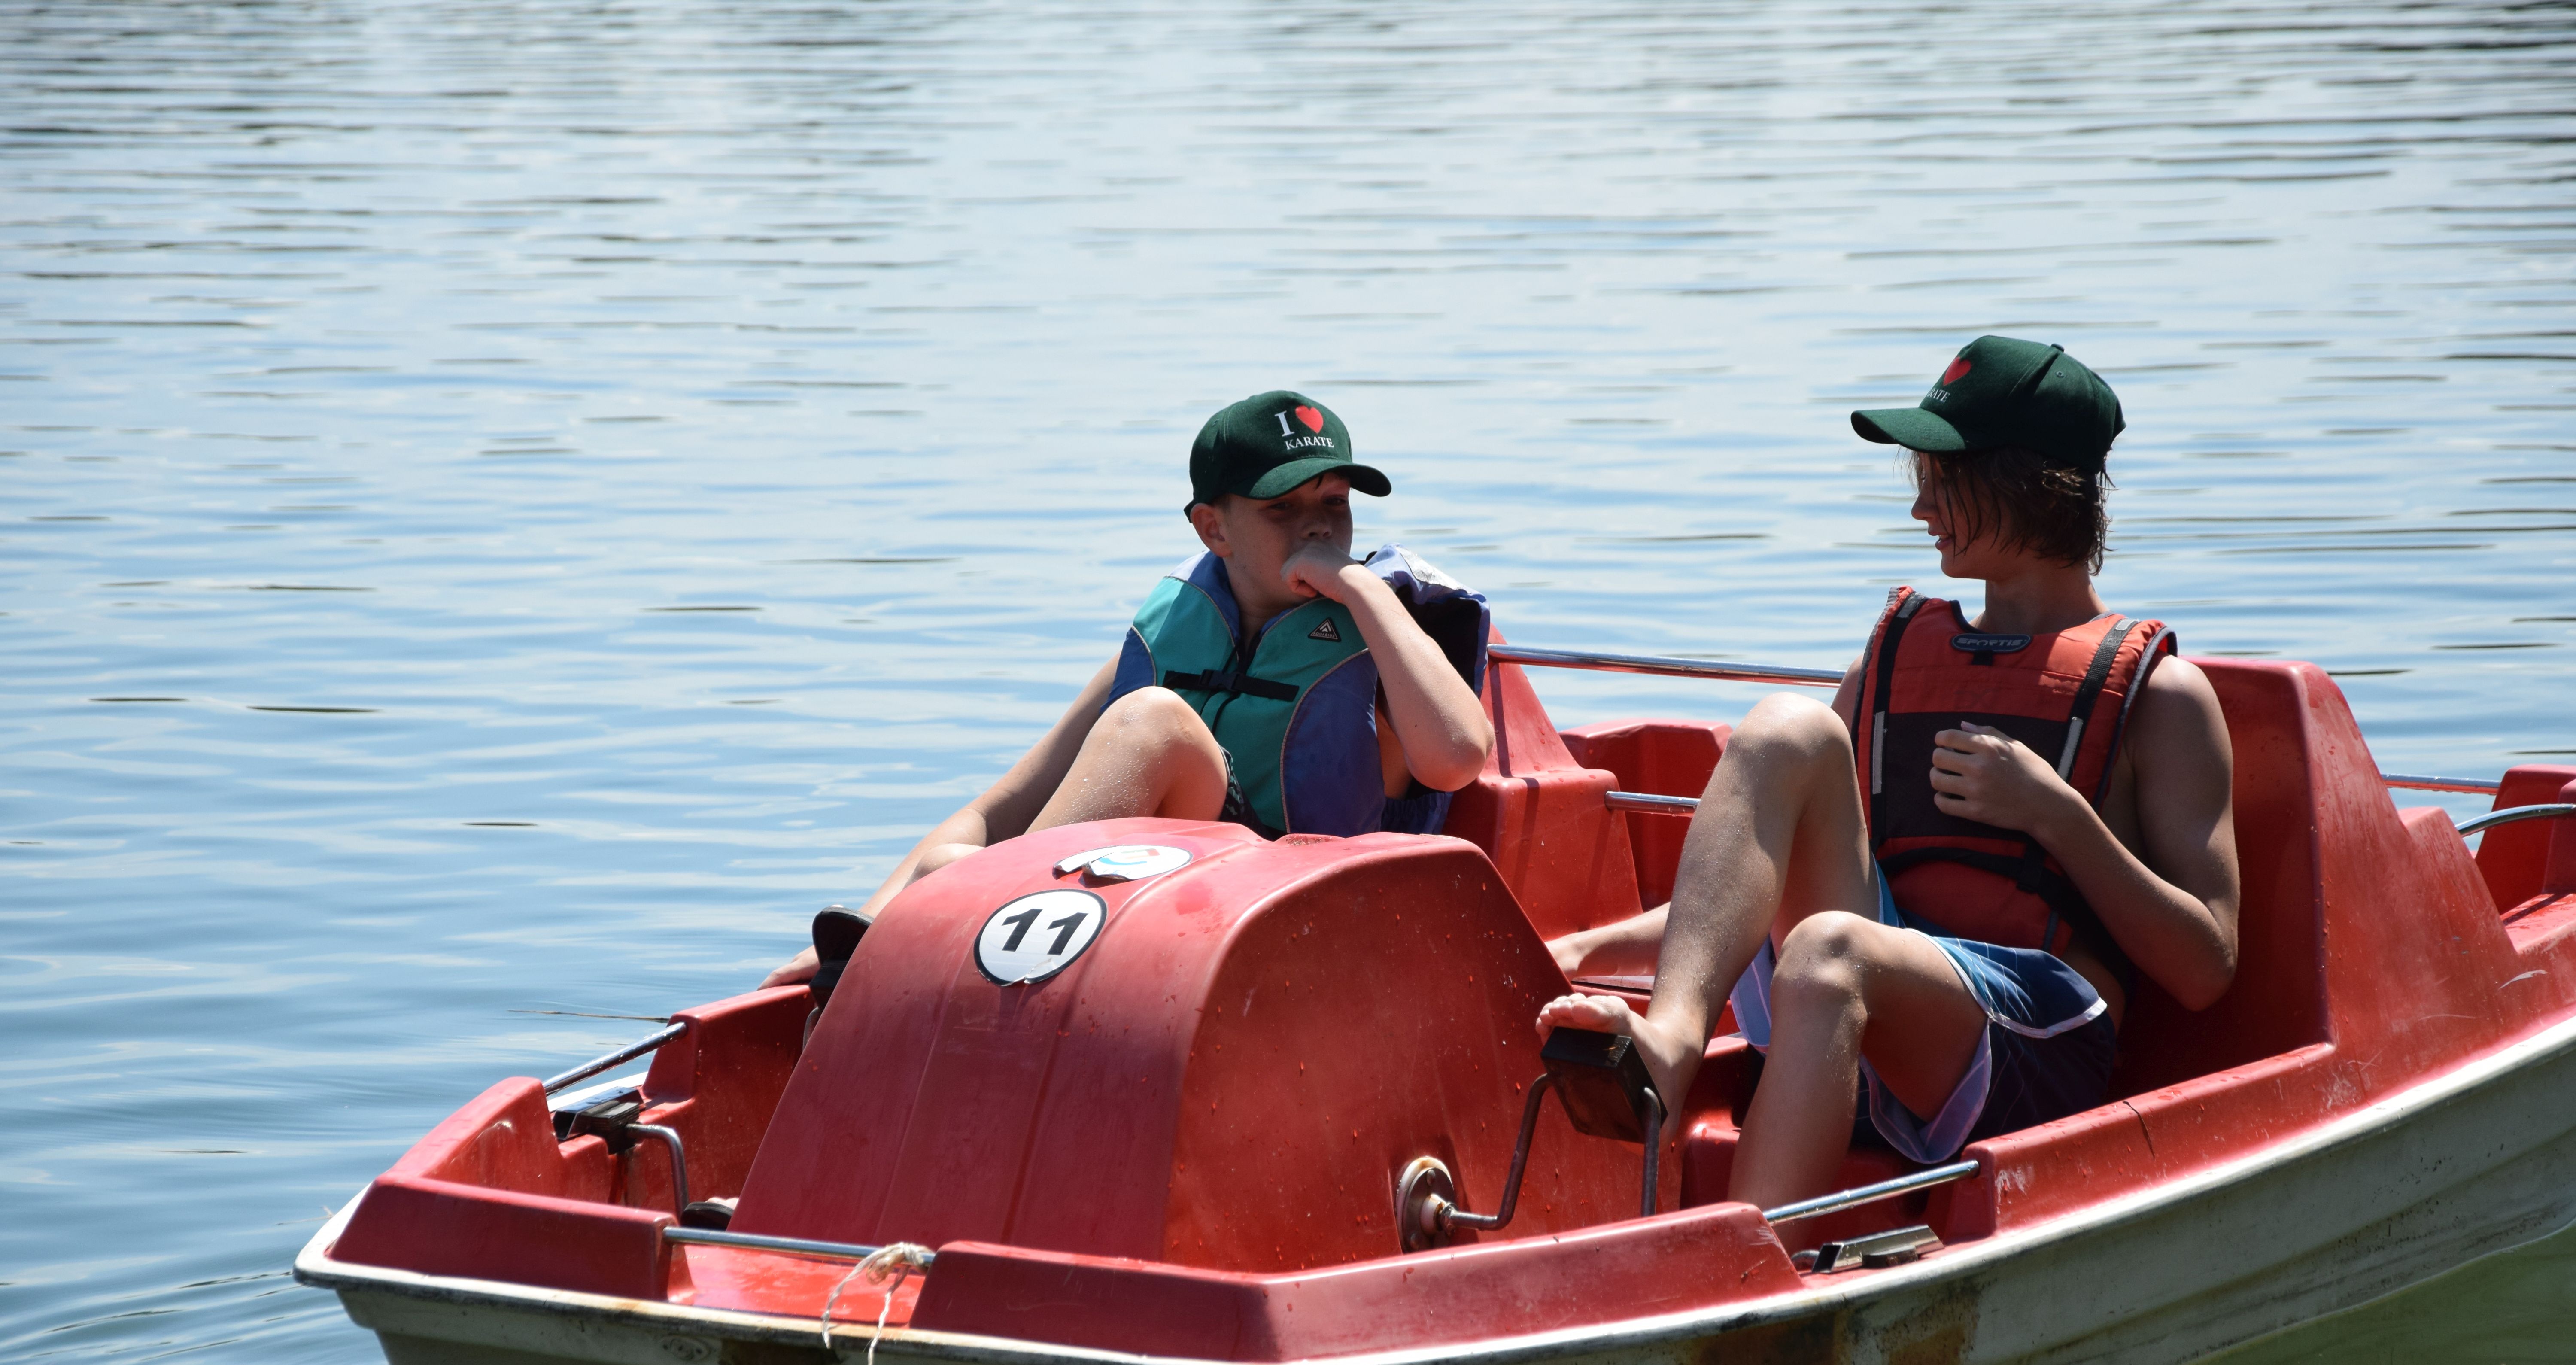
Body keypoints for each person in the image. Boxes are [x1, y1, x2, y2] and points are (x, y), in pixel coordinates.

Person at [1538, 337, 2240, 1231]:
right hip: (1860, 1001)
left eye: (1944, 480)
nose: (1919, 507)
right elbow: (1757, 886)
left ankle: (1748, 1271)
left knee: (1832, 952)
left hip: (2031, 1049)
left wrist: (2055, 814)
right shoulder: (1896, 653)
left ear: (2030, 482)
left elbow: (2207, 964)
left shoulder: (2166, 698)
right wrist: (1582, 950)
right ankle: (1671, 1049)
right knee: (1783, 729)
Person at [764, 389, 1495, 988]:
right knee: (945, 863)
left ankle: (989, 937)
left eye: (1334, 503)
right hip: (1169, 918)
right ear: (1214, 529)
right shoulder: (1177, 626)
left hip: (1300, 932)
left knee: (1153, 722)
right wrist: (870, 922)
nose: (1318, 530)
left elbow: (1458, 758)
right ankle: (918, 948)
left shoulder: (1383, 635)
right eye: (1282, 511)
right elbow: (1003, 806)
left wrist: (1359, 586)